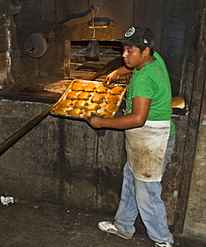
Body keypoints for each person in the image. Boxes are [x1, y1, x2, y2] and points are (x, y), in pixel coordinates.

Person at [88, 26, 175, 247]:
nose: (124, 55)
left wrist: (101, 122)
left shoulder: (144, 81)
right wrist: (120, 71)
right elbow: (134, 67)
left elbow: (137, 118)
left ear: (145, 52)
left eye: (130, 51)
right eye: (124, 50)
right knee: (130, 182)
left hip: (153, 140)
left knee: (147, 194)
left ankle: (163, 241)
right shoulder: (153, 59)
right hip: (142, 140)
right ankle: (124, 226)